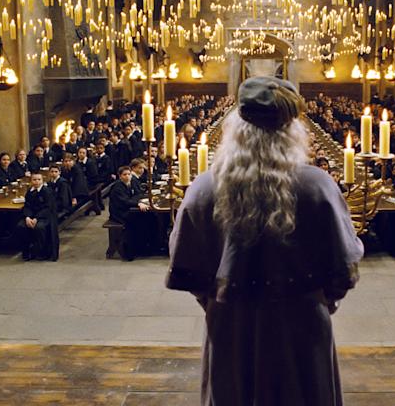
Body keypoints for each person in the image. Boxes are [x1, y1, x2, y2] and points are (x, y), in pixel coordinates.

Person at [166, 76, 363, 406]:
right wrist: (316, 299)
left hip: (231, 325)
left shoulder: (204, 188)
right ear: (292, 131)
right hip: (301, 323)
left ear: (236, 129)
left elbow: (190, 270)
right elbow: (343, 271)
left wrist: (221, 300)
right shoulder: (318, 186)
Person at [108, 166, 149, 260]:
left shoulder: (131, 183)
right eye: (124, 174)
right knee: (136, 221)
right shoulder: (117, 187)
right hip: (119, 212)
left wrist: (137, 201)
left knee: (147, 217)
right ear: (120, 176)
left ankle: (145, 245)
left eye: (129, 174)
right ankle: (130, 251)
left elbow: (138, 194)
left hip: (129, 208)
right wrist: (138, 203)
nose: (127, 176)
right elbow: (125, 201)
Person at [17, 172, 59, 261]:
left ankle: (41, 252)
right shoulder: (30, 192)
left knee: (39, 227)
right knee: (21, 226)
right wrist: (27, 217)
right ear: (31, 181)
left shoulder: (47, 191)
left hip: (44, 216)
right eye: (34, 180)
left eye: (39, 179)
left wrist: (36, 218)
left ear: (42, 181)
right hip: (31, 216)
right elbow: (27, 206)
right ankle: (27, 251)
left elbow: (48, 208)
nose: (37, 182)